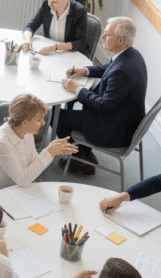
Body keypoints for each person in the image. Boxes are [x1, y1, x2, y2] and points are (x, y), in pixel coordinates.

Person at [58, 17, 148, 175]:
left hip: (112, 130)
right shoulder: (132, 55)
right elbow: (110, 67)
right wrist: (85, 70)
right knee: (86, 99)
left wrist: (78, 89)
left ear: (120, 40)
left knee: (56, 117)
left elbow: (104, 105)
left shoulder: (123, 71)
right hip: (122, 120)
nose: (102, 37)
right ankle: (86, 151)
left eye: (107, 34)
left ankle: (80, 160)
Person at [0, 93, 77, 198]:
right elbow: (22, 180)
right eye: (39, 119)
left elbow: (32, 164)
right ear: (25, 122)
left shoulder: (27, 133)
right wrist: (50, 152)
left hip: (13, 191)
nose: (44, 123)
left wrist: (52, 150)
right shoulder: (0, 143)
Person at [21, 0, 90, 56]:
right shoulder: (46, 5)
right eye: (49, 0)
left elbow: (81, 43)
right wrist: (27, 40)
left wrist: (55, 47)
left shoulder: (79, 11)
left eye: (54, 2)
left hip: (69, 54)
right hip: (50, 53)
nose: (50, 5)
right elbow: (30, 26)